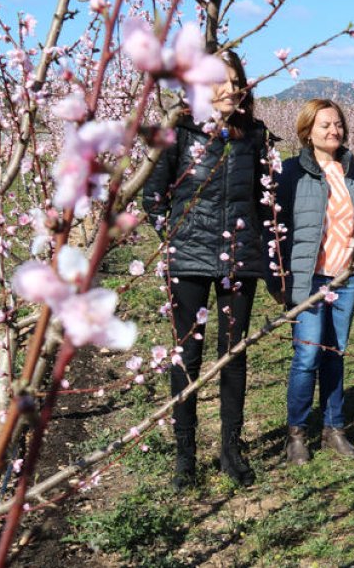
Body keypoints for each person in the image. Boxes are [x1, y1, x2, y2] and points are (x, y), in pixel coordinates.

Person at [143, 49, 270, 490]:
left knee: (233, 355)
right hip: (189, 261)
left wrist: (261, 251)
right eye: (220, 80)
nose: (230, 88)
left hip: (240, 259)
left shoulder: (255, 136)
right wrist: (177, 239)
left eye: (236, 80)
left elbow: (264, 201)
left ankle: (230, 449)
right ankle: (185, 455)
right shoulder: (177, 133)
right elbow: (152, 199)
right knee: (187, 357)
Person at [270, 98, 354, 466]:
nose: (334, 131)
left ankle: (334, 428)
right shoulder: (291, 172)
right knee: (308, 354)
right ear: (308, 130)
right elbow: (277, 230)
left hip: (344, 276)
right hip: (308, 277)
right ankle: (296, 433)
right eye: (325, 125)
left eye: (338, 124)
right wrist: (278, 277)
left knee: (335, 353)